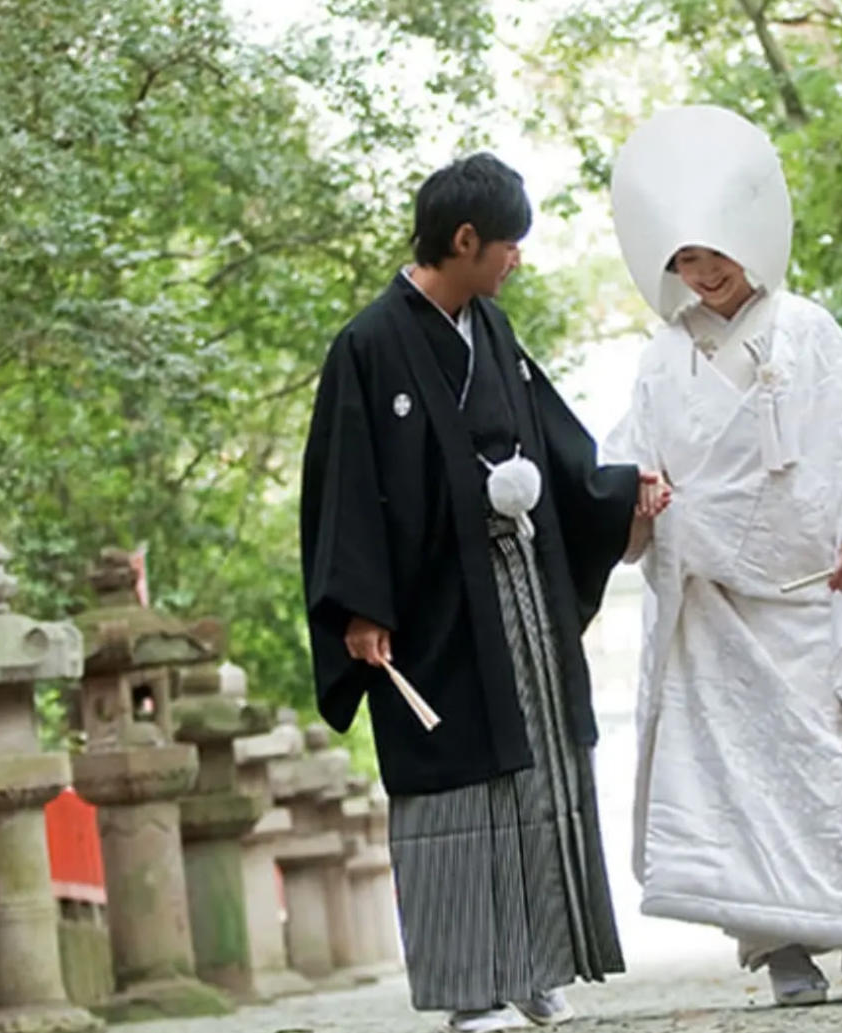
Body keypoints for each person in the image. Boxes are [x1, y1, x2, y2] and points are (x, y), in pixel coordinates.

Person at [299, 152, 670, 1033]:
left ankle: (537, 967)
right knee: (456, 787)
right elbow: (343, 489)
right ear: (464, 239)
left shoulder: (493, 332)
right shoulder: (367, 344)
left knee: (539, 766)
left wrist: (617, 488)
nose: (516, 261)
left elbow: (553, 443)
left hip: (518, 588)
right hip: (429, 610)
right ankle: (471, 987)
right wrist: (360, 607)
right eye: (509, 244)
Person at [603, 105, 842, 1007]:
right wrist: (642, 486)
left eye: (712, 258)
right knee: (738, 771)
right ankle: (778, 946)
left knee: (830, 753)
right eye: (684, 265)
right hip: (714, 595)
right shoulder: (661, 360)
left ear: (748, 243)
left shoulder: (811, 330)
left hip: (812, 577)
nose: (701, 278)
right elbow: (633, 452)